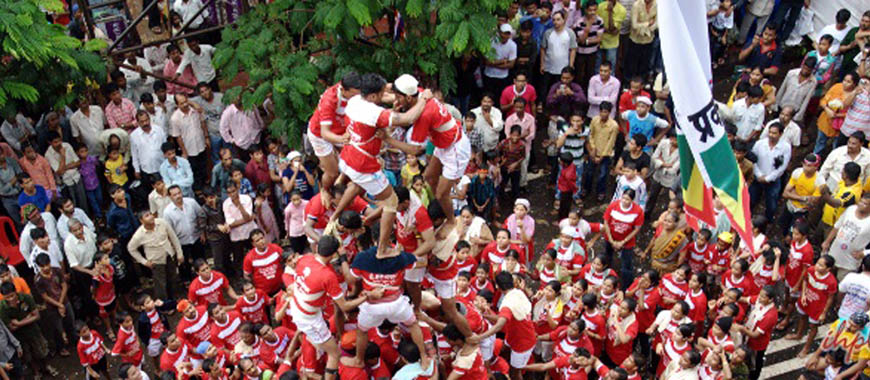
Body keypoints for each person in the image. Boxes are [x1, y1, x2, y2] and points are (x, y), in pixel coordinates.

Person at [290, 235, 371, 380]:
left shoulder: (305, 258)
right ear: (334, 254)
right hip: (309, 319)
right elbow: (345, 306)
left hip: (297, 306)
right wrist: (367, 297)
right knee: (335, 353)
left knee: (323, 343)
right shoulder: (327, 276)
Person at [474, 271, 536, 380]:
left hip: (522, 343)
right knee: (504, 350)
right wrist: (484, 315)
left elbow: (499, 325)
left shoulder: (507, 305)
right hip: (517, 335)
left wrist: (480, 337)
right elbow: (502, 318)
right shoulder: (518, 292)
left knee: (515, 373)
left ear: (497, 286)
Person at [0, 282, 57, 378]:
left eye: (12, 296)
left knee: (42, 351)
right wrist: (28, 318)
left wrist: (18, 323)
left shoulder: (26, 298)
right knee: (28, 356)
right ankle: (36, 372)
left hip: (34, 331)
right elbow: (11, 327)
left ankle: (46, 366)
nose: (10, 299)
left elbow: (37, 316)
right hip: (19, 336)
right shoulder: (2, 308)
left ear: (16, 292)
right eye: (7, 297)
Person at [127, 210, 184, 300]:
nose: (151, 217)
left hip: (169, 256)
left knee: (173, 279)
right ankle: (164, 305)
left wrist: (179, 253)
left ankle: (174, 299)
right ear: (141, 221)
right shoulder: (139, 235)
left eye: (150, 214)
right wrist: (144, 261)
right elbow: (131, 248)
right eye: (147, 216)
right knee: (160, 284)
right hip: (156, 262)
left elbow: (174, 238)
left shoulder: (162, 223)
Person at [750, 122, 792, 222]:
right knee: (751, 199)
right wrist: (759, 175)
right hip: (758, 178)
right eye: (770, 132)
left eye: (774, 133)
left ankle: (768, 221)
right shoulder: (760, 144)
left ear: (780, 134)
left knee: (772, 204)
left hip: (773, 180)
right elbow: (753, 160)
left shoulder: (785, 147)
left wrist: (768, 178)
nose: (771, 135)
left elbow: (782, 167)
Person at [163, 184, 205, 279]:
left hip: (196, 237)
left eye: (179, 193)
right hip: (181, 242)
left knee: (200, 259)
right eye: (174, 195)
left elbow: (200, 216)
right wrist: (174, 247)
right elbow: (169, 231)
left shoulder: (191, 202)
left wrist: (202, 232)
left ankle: (202, 277)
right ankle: (186, 280)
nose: (178, 196)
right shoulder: (168, 212)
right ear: (170, 197)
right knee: (184, 264)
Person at [603, 189, 644, 288]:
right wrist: (611, 240)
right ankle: (606, 279)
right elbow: (606, 222)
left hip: (627, 242)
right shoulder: (613, 206)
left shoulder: (638, 211)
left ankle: (626, 287)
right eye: (624, 198)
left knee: (626, 266)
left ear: (632, 200)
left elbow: (636, 229)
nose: (625, 201)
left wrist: (623, 242)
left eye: (628, 199)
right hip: (610, 237)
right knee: (607, 257)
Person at [169, 93, 210, 188]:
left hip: (201, 144)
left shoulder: (195, 110)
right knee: (194, 170)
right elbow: (178, 136)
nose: (184, 105)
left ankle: (206, 185)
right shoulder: (175, 118)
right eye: (181, 103)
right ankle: (198, 189)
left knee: (203, 166)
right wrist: (184, 151)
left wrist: (206, 137)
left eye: (185, 101)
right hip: (189, 149)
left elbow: (203, 123)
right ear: (177, 105)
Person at [775, 59, 817, 124]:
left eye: (808, 70)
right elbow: (782, 89)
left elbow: (806, 100)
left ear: (812, 70)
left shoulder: (813, 82)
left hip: (795, 110)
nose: (805, 71)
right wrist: (776, 104)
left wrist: (799, 115)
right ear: (802, 66)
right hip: (782, 105)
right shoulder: (791, 73)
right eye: (804, 68)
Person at [130, 111, 168, 180]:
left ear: (149, 119)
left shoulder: (159, 130)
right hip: (146, 170)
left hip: (162, 166)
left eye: (146, 120)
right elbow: (134, 154)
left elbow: (165, 147)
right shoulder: (134, 135)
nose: (145, 123)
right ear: (138, 123)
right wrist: (137, 170)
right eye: (142, 122)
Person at [484, 24, 518, 97]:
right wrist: (502, 61)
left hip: (503, 77)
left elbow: (511, 64)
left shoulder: (512, 45)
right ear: (499, 33)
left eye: (507, 34)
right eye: (503, 33)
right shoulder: (491, 42)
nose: (504, 36)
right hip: (489, 75)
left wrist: (494, 63)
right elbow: (487, 62)